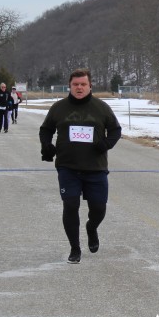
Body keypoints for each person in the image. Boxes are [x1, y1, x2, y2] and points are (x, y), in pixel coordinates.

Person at [39, 68, 122, 264]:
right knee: (70, 205)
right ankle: (75, 248)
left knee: (98, 209)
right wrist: (46, 145)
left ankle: (91, 228)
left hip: (96, 167)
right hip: (68, 167)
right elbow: (46, 129)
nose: (79, 88)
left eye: (83, 84)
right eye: (75, 84)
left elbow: (115, 130)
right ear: (69, 86)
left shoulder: (101, 108)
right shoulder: (59, 108)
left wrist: (106, 144)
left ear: (90, 86)